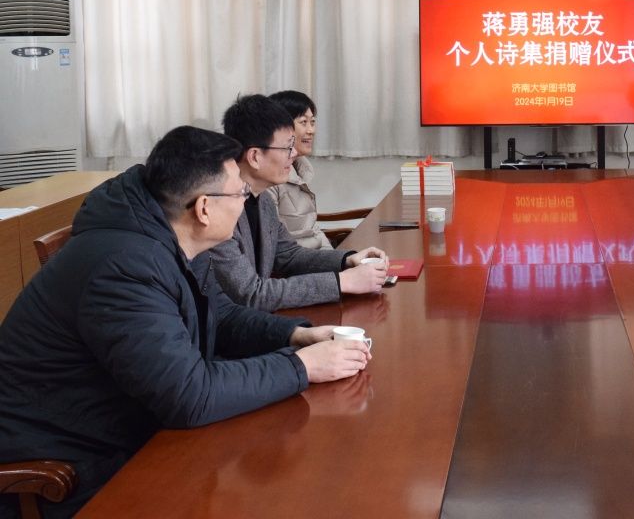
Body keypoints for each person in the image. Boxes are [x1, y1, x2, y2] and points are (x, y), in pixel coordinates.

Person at [0, 127, 370, 517]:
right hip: (69, 466)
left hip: (132, 426)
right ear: (204, 208)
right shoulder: (123, 267)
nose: (246, 202)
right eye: (240, 193)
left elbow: (222, 316)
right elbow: (189, 397)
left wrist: (296, 335)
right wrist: (302, 366)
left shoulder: (172, 231)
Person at [208, 94, 389, 311]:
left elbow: (289, 255)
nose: (294, 154)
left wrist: (347, 260)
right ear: (255, 156)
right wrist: (342, 282)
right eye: (287, 147)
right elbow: (251, 294)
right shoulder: (217, 210)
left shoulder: (262, 200)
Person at [266, 90, 336, 249]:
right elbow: (276, 248)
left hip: (317, 258)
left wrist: (340, 258)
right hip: (297, 260)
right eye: (303, 122)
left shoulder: (301, 169)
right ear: (280, 127)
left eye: (312, 122)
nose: (311, 130)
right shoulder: (268, 179)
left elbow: (313, 230)